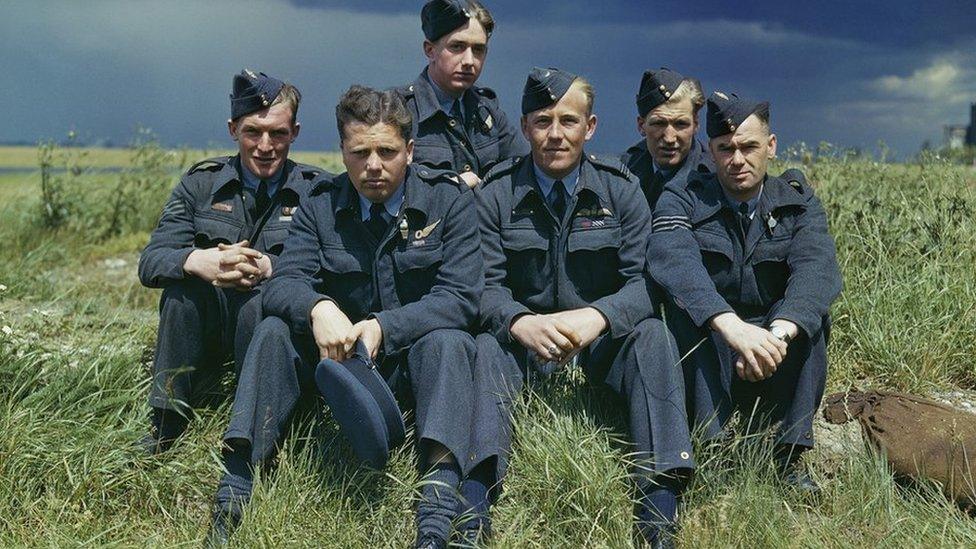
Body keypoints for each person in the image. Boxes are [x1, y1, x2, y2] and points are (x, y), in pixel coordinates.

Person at [207, 86, 484, 549]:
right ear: (343, 152)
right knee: (275, 329)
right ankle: (236, 486)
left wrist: (383, 327)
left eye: (387, 151)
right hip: (336, 369)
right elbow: (284, 281)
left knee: (451, 341)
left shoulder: (449, 201)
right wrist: (318, 308)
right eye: (360, 153)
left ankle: (436, 510)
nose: (373, 165)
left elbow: (462, 298)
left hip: (411, 366)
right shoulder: (320, 204)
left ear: (410, 151)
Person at [470, 67, 693, 547]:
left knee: (654, 336)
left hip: (598, 343)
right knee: (483, 349)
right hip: (522, 343)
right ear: (526, 126)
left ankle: (658, 510)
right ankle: (476, 505)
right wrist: (519, 322)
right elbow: (481, 286)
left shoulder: (621, 189)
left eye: (568, 121)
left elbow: (645, 283)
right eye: (543, 120)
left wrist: (597, 318)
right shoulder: (495, 193)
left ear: (589, 128)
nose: (555, 134)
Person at [646, 91, 842, 492]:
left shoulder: (797, 201)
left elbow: (816, 270)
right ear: (711, 151)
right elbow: (674, 262)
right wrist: (731, 328)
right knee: (686, 313)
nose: (737, 160)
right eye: (725, 149)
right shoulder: (683, 197)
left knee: (814, 318)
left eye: (749, 147)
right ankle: (712, 450)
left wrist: (775, 338)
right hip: (714, 344)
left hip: (773, 344)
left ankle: (788, 455)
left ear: (770, 147)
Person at [137, 69, 323, 454]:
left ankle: (257, 422)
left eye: (279, 133)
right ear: (233, 129)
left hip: (269, 333)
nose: (265, 146)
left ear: (296, 133)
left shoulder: (317, 191)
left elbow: (330, 270)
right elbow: (151, 261)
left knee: (264, 300)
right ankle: (167, 422)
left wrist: (270, 268)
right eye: (253, 131)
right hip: (207, 328)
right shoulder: (200, 184)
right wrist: (197, 260)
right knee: (180, 291)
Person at [396, 0, 526, 189]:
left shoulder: (486, 109)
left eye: (478, 50)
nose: (469, 61)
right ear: (430, 50)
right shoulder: (398, 111)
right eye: (457, 47)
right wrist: (453, 186)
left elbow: (525, 167)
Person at [621, 67, 713, 210]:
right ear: (641, 126)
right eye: (659, 123)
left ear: (696, 125)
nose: (669, 138)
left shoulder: (715, 179)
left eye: (680, 124)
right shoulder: (622, 171)